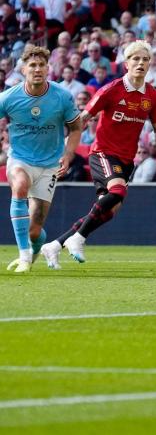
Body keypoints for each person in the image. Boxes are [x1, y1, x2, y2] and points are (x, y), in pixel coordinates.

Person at [41, 41, 156, 269]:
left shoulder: (153, 96)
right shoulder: (111, 90)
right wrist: (64, 149)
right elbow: (82, 119)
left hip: (126, 160)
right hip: (103, 153)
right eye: (136, 59)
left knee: (108, 210)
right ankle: (78, 239)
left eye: (145, 59)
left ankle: (54, 245)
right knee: (117, 191)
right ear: (126, 64)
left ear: (150, 64)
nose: (140, 63)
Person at [1, 46, 83, 273]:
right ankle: (24, 257)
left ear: (48, 68)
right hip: (20, 159)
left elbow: (76, 127)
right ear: (23, 69)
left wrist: (68, 154)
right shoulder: (9, 97)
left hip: (49, 166)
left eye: (41, 65)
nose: (37, 69)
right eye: (32, 65)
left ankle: (38, 247)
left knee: (35, 231)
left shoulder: (62, 96)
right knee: (19, 186)